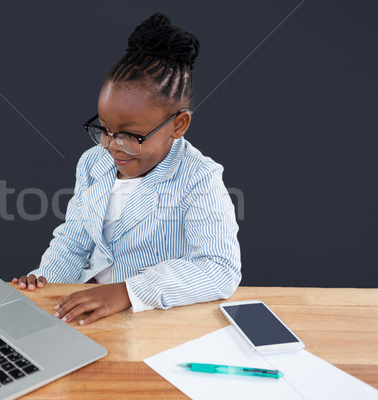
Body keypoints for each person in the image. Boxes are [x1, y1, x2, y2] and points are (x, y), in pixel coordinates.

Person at [13, 12, 241, 325]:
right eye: (104, 128)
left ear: (179, 124)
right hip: (89, 312)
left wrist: (128, 291)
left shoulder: (198, 179)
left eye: (132, 136)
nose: (111, 145)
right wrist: (45, 282)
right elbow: (74, 242)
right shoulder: (94, 163)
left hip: (149, 320)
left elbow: (219, 268)